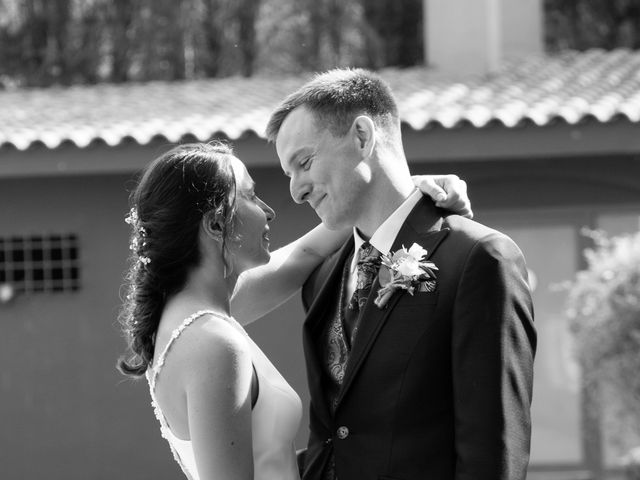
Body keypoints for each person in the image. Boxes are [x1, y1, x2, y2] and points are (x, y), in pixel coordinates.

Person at [116, 142, 472, 480]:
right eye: (251, 196)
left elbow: (307, 253)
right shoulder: (213, 344)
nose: (268, 210)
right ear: (215, 224)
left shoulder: (187, 316)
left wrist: (406, 190)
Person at [265, 68, 536, 480]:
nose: (296, 190)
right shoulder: (321, 278)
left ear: (361, 136)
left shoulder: (479, 260)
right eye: (289, 175)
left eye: (304, 163)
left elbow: (491, 453)